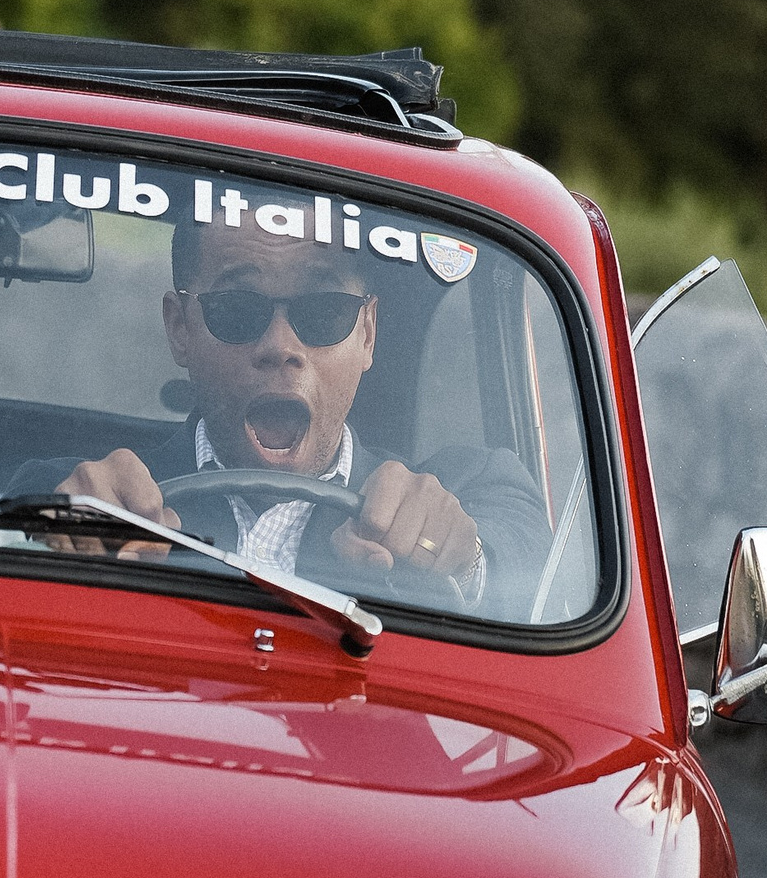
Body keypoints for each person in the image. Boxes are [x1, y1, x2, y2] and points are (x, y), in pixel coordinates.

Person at [42, 211, 550, 608]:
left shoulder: (475, 488)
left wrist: (460, 559)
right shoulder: (78, 491)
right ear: (180, 328)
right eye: (236, 309)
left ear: (367, 332)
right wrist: (59, 532)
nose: (281, 346)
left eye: (324, 311)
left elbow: (532, 575)